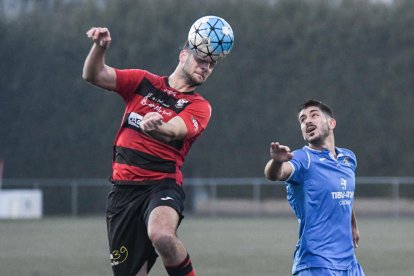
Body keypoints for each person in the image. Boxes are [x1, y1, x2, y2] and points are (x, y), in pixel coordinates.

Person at [82, 26, 221, 276]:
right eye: (202, 60)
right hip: (122, 191)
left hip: (162, 184)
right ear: (183, 55)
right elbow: (93, 75)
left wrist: (157, 126)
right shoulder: (143, 81)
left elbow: (173, 130)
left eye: (212, 65)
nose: (206, 68)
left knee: (162, 235)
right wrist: (99, 48)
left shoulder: (200, 106)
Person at [264, 99, 365, 275]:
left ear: (331, 123)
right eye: (302, 120)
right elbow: (274, 174)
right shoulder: (303, 159)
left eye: (314, 115)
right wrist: (276, 161)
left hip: (349, 264)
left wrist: (353, 224)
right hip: (316, 264)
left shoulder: (348, 158)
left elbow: (345, 192)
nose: (307, 121)